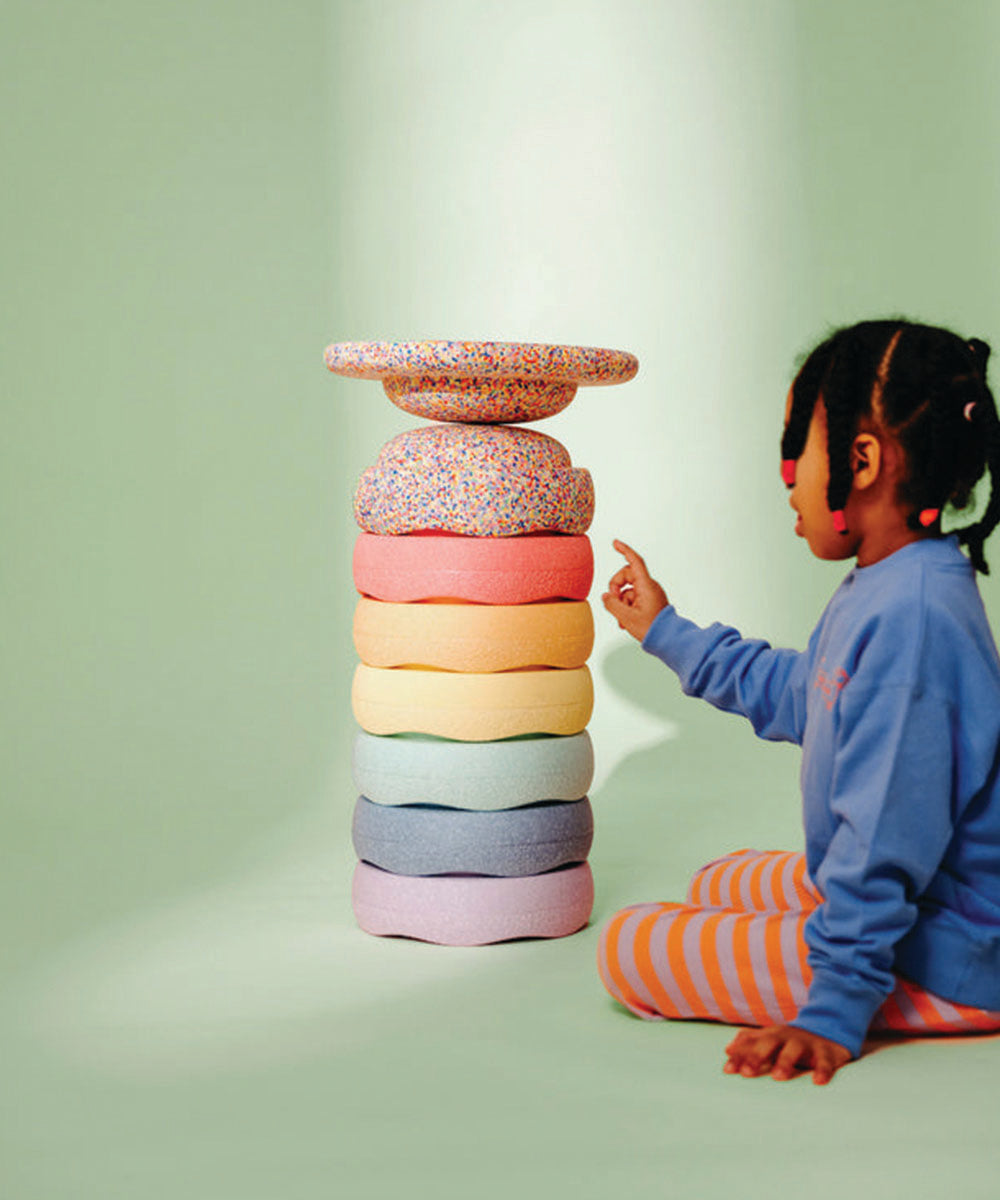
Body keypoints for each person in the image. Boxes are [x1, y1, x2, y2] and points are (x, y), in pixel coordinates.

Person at [599, 319, 1000, 1084]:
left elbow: (881, 839)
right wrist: (665, 629)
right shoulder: (887, 581)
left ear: (862, 460)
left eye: (797, 448)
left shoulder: (912, 622)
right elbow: (801, 693)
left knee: (629, 949)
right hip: (920, 890)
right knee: (718, 879)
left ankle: (861, 968)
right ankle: (841, 931)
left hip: (952, 952)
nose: (786, 478)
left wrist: (833, 1009)